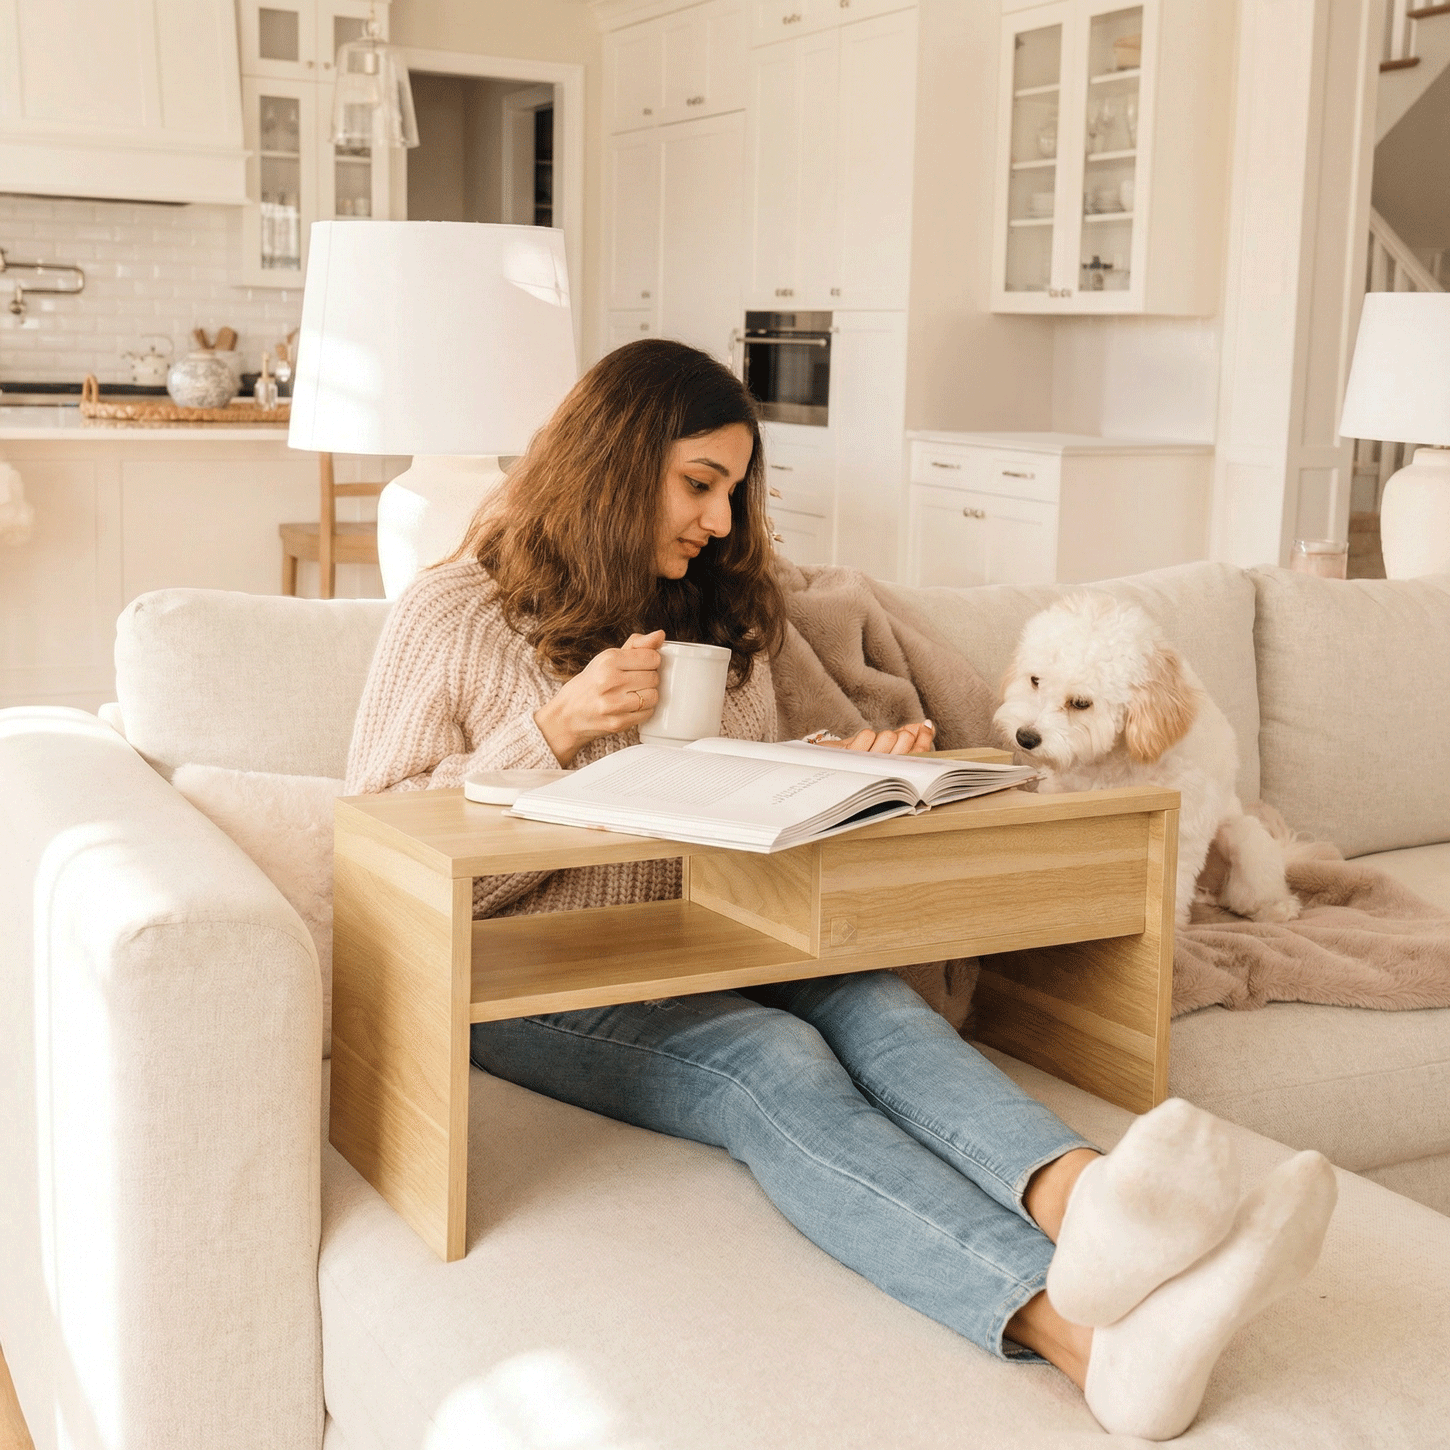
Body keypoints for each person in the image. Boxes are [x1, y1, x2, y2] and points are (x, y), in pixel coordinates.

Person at [346, 339, 1336, 1441]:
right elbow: (378, 828)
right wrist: (553, 729)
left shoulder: (712, 616)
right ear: (613, 462)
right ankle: (1088, 1340)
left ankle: (1100, 1207)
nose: (719, 524)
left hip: (707, 932)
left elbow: (723, 802)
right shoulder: (451, 612)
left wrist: (845, 768)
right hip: (524, 976)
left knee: (871, 997)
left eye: (732, 492)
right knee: (769, 1064)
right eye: (699, 485)